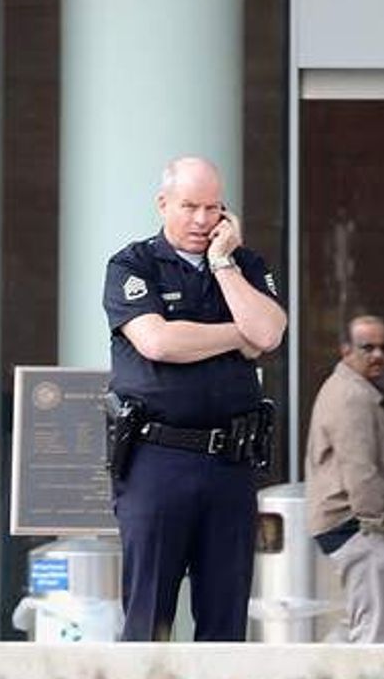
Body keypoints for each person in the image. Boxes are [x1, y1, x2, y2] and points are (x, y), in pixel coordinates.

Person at [103, 156, 286, 641]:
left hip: (231, 461)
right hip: (157, 459)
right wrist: (235, 335)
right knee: (150, 618)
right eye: (190, 206)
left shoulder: (244, 264)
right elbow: (158, 342)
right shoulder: (133, 264)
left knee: (225, 620)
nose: (203, 220)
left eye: (213, 208)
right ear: (163, 204)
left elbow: (267, 333)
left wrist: (223, 265)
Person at [305, 314, 384, 645]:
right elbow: (359, 468)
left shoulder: (351, 390)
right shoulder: (352, 396)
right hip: (359, 527)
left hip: (351, 526)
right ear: (346, 350)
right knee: (378, 637)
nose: (378, 355)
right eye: (368, 348)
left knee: (354, 630)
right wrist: (376, 525)